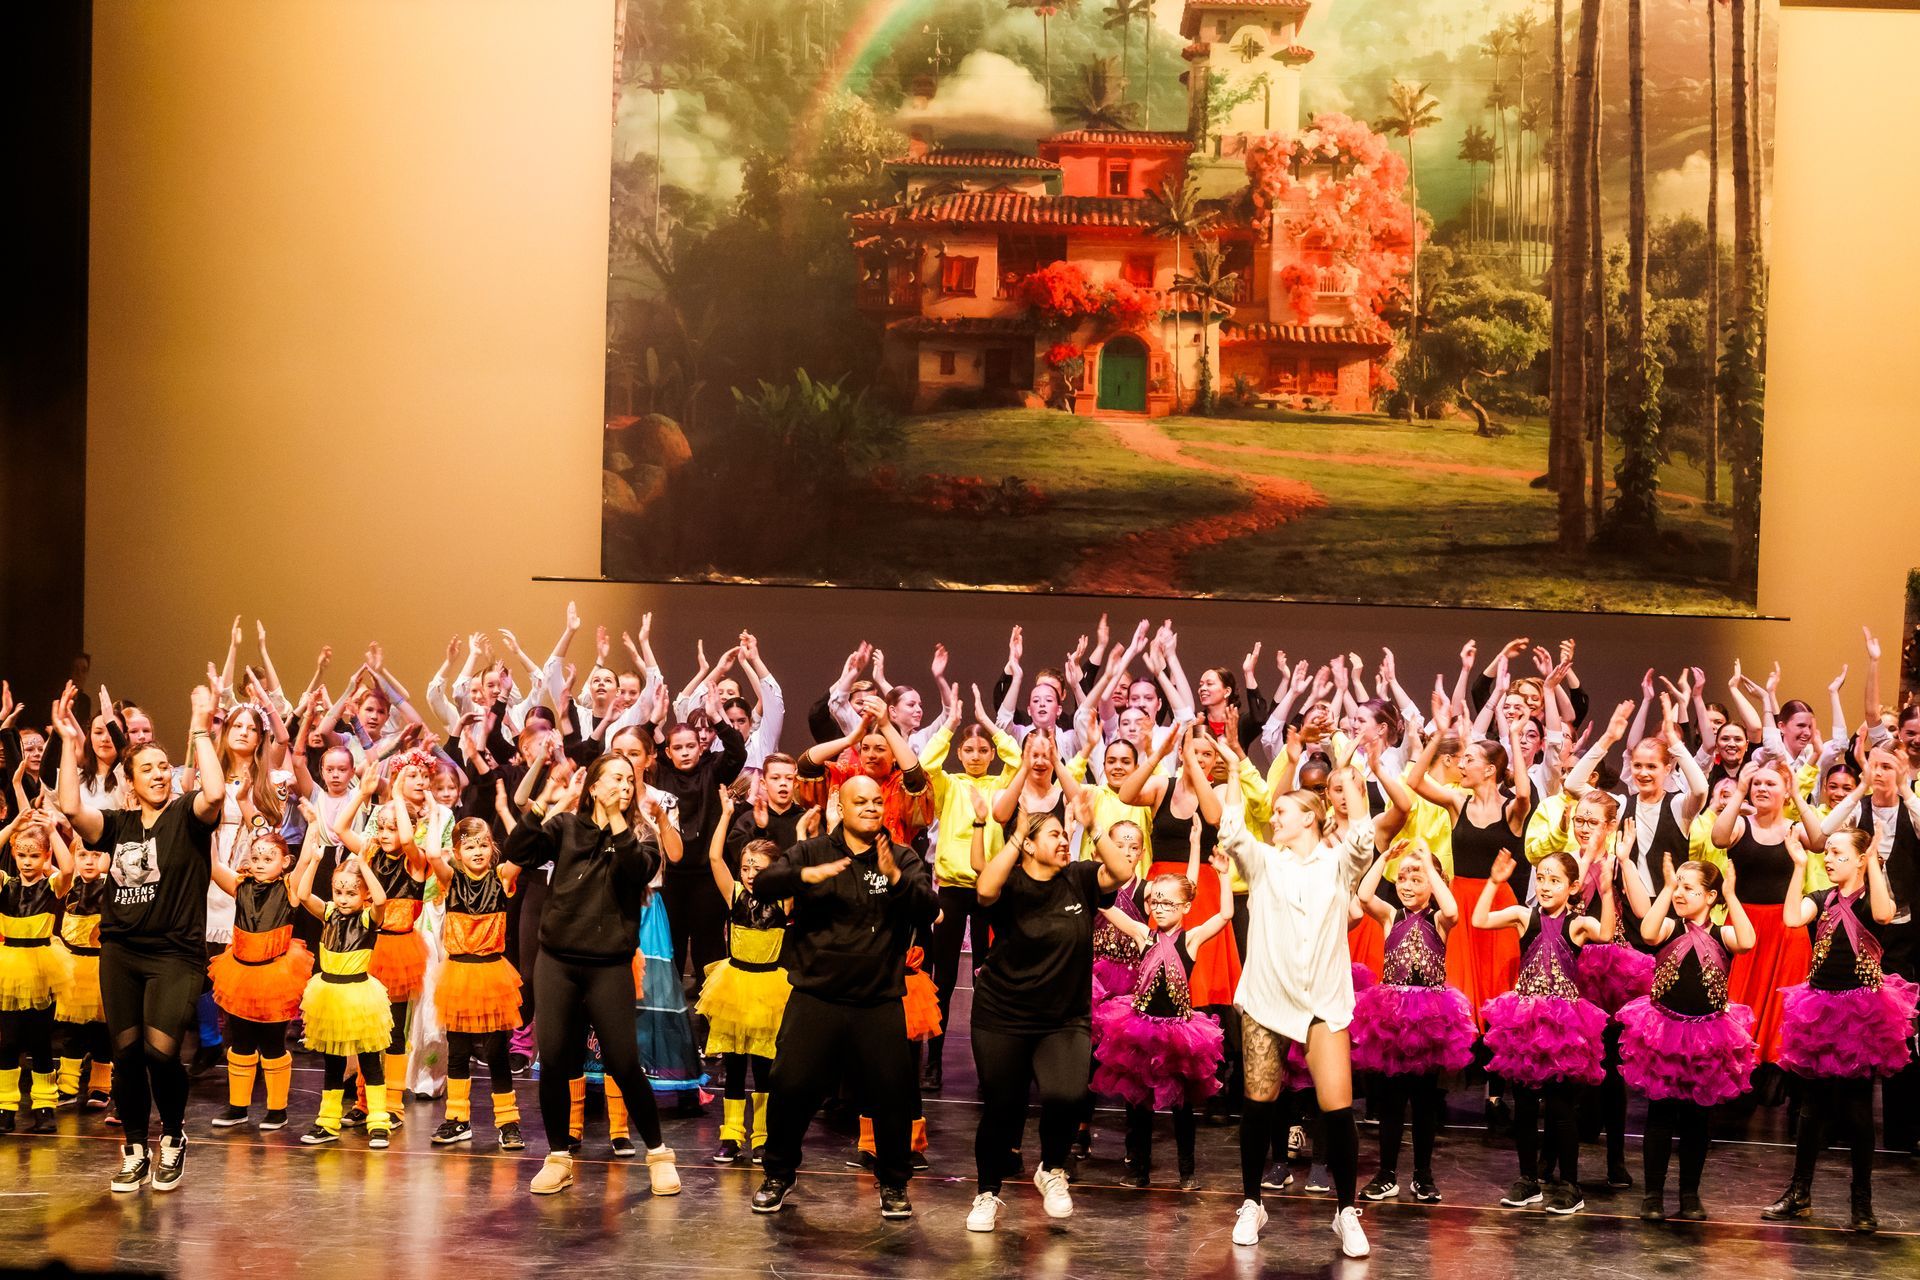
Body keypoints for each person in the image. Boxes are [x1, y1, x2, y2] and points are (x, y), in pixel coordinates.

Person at [55, 683, 224, 1194]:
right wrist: (69, 742)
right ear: (129, 782)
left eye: (163, 767)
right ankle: (134, 1148)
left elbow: (215, 793)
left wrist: (200, 726)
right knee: (126, 1056)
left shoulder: (189, 816)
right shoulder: (118, 823)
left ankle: (172, 1136)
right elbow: (70, 807)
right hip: (122, 952)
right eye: (146, 768)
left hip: (175, 953)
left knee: (161, 1053)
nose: (157, 774)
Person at [748, 775, 938, 1221]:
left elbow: (928, 909)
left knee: (892, 1095)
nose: (871, 808)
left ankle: (893, 1181)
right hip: (817, 996)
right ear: (841, 806)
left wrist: (895, 878)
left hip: (877, 999)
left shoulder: (902, 857)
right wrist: (803, 875)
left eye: (877, 801)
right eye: (861, 801)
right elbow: (764, 883)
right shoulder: (813, 851)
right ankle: (779, 1173)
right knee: (790, 1086)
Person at [1216, 765, 1375, 1259]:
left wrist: (1353, 779)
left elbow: (1363, 836)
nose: (1275, 818)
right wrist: (1235, 768)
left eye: (1282, 810)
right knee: (1258, 1104)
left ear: (1310, 816)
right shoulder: (1265, 862)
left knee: (1338, 1108)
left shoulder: (1336, 865)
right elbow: (1232, 832)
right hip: (1268, 998)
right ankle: (1251, 1203)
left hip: (1322, 1000)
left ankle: (1345, 1210)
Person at [503, 754, 680, 1197]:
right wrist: (544, 802)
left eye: (630, 779)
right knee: (555, 1060)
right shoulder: (566, 827)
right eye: (615, 778)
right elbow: (518, 852)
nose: (625, 785)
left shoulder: (641, 836)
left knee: (623, 1062)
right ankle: (559, 1157)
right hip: (557, 961)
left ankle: (659, 1154)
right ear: (594, 787)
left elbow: (636, 871)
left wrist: (619, 820)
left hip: (609, 965)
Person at [962, 800, 1131, 1232]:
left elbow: (1121, 872)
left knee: (1066, 1096)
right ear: (1030, 845)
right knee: (1003, 1107)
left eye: (1063, 833)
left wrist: (1093, 827)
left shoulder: (1078, 878)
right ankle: (987, 1192)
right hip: (1002, 1014)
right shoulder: (1010, 882)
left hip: (1064, 1018)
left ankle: (1051, 1169)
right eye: (1053, 834)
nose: (1062, 840)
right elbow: (984, 890)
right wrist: (1016, 833)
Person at [1762, 828, 1919, 1233]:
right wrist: (1800, 866)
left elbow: (1883, 915)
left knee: (1858, 1110)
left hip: (1861, 1013)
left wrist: (1875, 861)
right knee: (1811, 1107)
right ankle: (1799, 1192)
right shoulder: (1823, 899)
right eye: (1827, 853)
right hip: (1819, 1009)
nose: (1829, 859)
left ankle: (1861, 1200)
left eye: (1838, 853)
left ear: (1860, 859)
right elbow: (1791, 917)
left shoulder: (1871, 900)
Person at [1618, 855, 1757, 1222]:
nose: (1680, 893)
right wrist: (1667, 888)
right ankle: (1653, 1194)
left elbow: (1747, 940)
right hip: (1665, 1033)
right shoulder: (1668, 928)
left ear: (1710, 896)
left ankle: (1690, 1194)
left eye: (1688, 888)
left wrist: (1732, 895)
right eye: (1678, 885)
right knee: (1660, 1116)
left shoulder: (1722, 934)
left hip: (1707, 1036)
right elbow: (1647, 933)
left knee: (1697, 1119)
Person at [1474, 849, 1611, 1215]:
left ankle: (1570, 1185)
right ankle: (1527, 1180)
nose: (1546, 886)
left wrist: (1608, 891)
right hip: (1526, 1023)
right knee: (1524, 1108)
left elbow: (1607, 932)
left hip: (1563, 1026)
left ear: (1572, 887)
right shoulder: (1524, 916)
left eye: (1555, 880)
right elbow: (1479, 919)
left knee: (1561, 1109)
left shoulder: (1578, 925)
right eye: (1542, 878)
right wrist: (1494, 882)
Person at [1088, 860, 1232, 1193]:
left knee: (1182, 1108)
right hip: (1140, 1031)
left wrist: (1224, 876)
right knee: (1138, 1107)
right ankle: (1139, 1168)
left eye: (1169, 903)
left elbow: (1225, 915)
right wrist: (1101, 873)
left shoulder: (1191, 939)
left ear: (1186, 907)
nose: (1161, 908)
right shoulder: (1143, 935)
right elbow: (1107, 907)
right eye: (1156, 901)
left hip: (1178, 1035)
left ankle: (1187, 1171)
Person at [1351, 840, 1475, 1205]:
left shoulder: (1439, 920)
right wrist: (1384, 859)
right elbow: (1364, 895)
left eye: (1416, 879)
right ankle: (1386, 1174)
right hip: (1392, 1019)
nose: (1406, 885)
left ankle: (1423, 1175)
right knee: (1390, 1102)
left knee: (1423, 1103)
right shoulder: (1390, 916)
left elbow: (1452, 908)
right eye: (1402, 878)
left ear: (1433, 884)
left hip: (1429, 1020)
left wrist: (1431, 869)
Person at [917, 685, 1021, 1093]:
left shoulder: (999, 784)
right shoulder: (950, 784)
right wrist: (951, 725)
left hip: (989, 892)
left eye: (983, 750)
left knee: (987, 978)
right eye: (969, 750)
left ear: (991, 754)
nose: (976, 756)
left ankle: (988, 1064)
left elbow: (1018, 760)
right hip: (952, 891)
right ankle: (934, 1062)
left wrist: (989, 724)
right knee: (943, 978)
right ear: (959, 753)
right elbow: (925, 764)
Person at [694, 791, 791, 1166]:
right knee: (734, 1067)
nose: (751, 874)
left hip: (768, 989)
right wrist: (726, 814)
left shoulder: (784, 900)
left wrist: (805, 831)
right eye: (747, 867)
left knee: (764, 1069)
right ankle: (731, 1135)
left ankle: (762, 1137)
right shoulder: (734, 893)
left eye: (759, 869)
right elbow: (715, 857)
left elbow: (800, 870)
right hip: (734, 986)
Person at [427, 818, 524, 1152]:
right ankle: (457, 1119)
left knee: (497, 1052)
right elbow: (432, 856)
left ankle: (508, 1122)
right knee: (458, 1051)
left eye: (483, 845)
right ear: (457, 852)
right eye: (469, 846)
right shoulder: (451, 880)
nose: (478, 852)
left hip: (492, 973)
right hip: (458, 974)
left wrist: (526, 810)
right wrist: (434, 813)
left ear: (493, 848)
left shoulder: (501, 878)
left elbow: (521, 851)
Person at [205, 827, 312, 1131]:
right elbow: (214, 865)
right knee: (240, 1041)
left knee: (272, 1043)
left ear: (285, 862)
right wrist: (208, 829)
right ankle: (238, 1107)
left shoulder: (289, 888)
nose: (260, 864)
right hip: (241, 974)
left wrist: (314, 826)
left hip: (275, 975)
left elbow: (305, 860)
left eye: (268, 858)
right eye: (255, 858)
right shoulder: (241, 886)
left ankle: (277, 1110)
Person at [291, 840, 394, 1147]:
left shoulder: (368, 918)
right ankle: (328, 1121)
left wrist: (363, 865)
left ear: (363, 895)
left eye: (351, 893)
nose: (344, 898)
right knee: (333, 1063)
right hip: (330, 995)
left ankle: (379, 1121)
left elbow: (381, 899)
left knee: (369, 1061)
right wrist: (314, 861)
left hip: (359, 996)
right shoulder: (329, 913)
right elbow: (302, 895)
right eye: (339, 892)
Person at [0, 809, 73, 1133]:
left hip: (42, 967)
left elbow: (68, 868)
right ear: (14, 855)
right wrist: (13, 826)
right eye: (22, 855)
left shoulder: (52, 886)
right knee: (7, 1042)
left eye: (34, 856)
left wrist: (53, 832)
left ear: (45, 857)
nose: (27, 862)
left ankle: (45, 1105)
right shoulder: (5, 884)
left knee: (40, 1041)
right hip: (8, 967)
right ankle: (5, 1105)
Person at [53, 833, 113, 1110]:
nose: (89, 861)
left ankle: (101, 1086)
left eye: (96, 855)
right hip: (72, 968)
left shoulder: (112, 887)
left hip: (101, 967)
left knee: (102, 1031)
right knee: (71, 1031)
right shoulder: (67, 886)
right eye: (83, 855)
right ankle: (67, 1085)